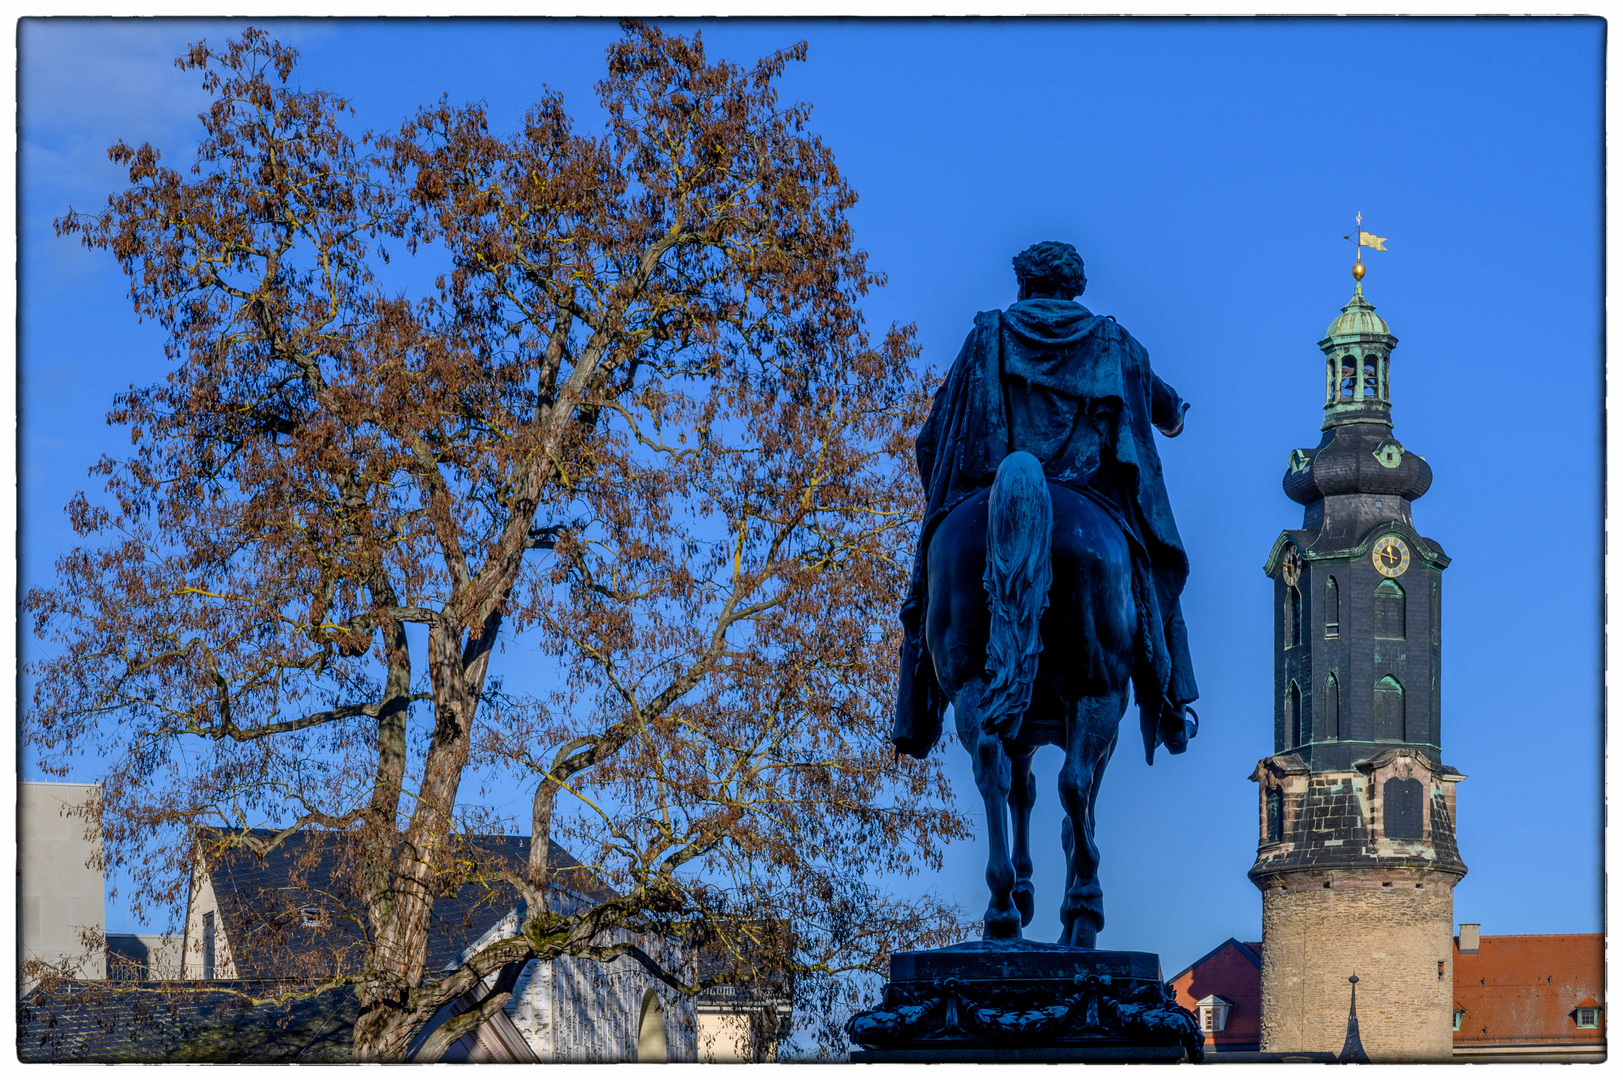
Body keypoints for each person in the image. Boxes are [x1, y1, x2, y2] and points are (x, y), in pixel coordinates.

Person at [894, 240, 1198, 765]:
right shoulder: (1113, 343)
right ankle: (1171, 700)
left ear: (1024, 284)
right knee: (1152, 566)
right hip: (1092, 504)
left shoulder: (986, 335)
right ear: (1074, 287)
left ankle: (914, 707)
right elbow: (1167, 412)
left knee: (927, 582)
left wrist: (950, 510)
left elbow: (930, 441)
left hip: (990, 501)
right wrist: (1172, 418)